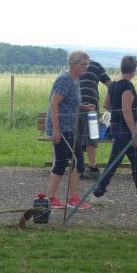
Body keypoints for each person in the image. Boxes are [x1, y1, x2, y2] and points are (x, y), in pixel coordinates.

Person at [90, 55, 137, 205]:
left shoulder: (115, 84)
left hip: (116, 127)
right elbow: (127, 111)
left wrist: (117, 111)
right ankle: (97, 194)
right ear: (134, 69)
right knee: (114, 162)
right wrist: (134, 133)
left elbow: (106, 105)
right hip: (125, 130)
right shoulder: (128, 87)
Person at [44, 50, 95, 209]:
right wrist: (56, 130)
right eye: (83, 64)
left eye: (87, 64)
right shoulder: (64, 80)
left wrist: (83, 107)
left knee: (61, 162)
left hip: (69, 127)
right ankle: (72, 198)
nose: (86, 67)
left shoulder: (75, 80)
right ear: (73, 65)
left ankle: (51, 198)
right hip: (61, 127)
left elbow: (69, 102)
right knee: (77, 160)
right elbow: (54, 103)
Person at [78, 60, 112, 180]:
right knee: (80, 138)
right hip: (78, 107)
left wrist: (109, 102)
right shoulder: (95, 65)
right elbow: (110, 84)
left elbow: (110, 84)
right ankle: (80, 168)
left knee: (90, 138)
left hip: (90, 108)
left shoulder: (94, 65)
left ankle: (92, 168)